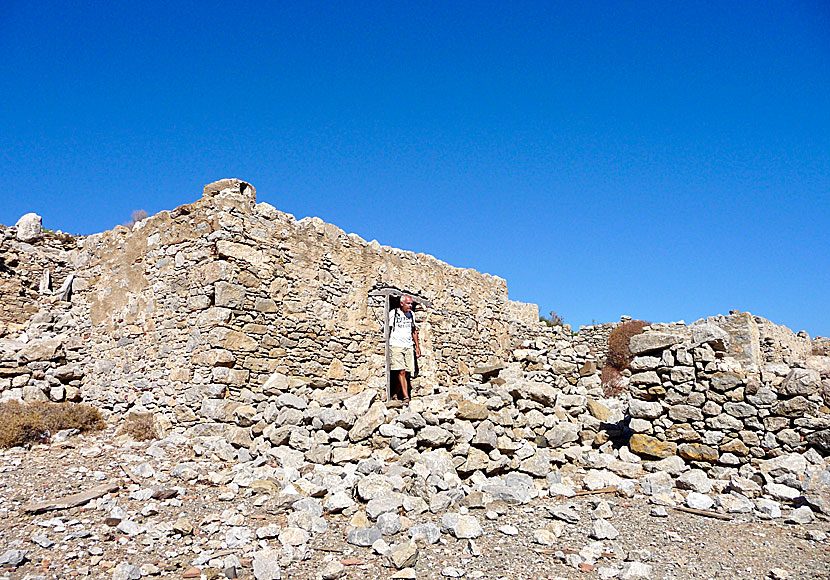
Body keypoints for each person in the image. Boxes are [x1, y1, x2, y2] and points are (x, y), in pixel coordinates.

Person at [388, 294, 421, 403]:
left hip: (408, 346)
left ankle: (395, 393)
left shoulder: (411, 314)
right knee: (401, 371)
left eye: (411, 303)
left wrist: (417, 347)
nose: (410, 306)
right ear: (401, 303)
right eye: (408, 303)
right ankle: (406, 397)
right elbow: (387, 328)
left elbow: (414, 331)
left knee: (406, 372)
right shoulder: (394, 313)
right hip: (396, 345)